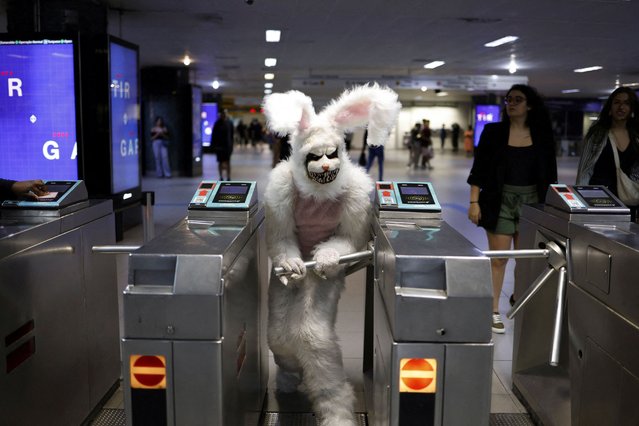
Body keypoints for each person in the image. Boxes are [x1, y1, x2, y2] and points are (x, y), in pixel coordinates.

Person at [467, 84, 557, 334]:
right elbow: (479, 169)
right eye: (508, 99)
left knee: (525, 260)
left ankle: (520, 301)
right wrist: (474, 202)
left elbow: (550, 174)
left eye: (518, 99)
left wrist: (551, 208)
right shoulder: (493, 132)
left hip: (533, 202)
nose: (511, 103)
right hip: (499, 200)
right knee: (499, 259)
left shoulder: (542, 135)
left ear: (529, 105)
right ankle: (493, 311)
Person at [576, 86, 639, 222]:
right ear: (610, 107)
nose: (621, 107)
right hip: (599, 199)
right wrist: (581, 203)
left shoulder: (636, 136)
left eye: (626, 103)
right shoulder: (598, 134)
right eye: (617, 102)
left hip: (628, 201)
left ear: (632, 109)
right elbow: (585, 170)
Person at [211, 110, 234, 181]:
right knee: (220, 162)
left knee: (227, 161)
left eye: (225, 113)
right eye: (223, 114)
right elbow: (214, 135)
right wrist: (214, 145)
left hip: (227, 146)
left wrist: (231, 145)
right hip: (219, 146)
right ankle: (221, 176)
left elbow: (231, 135)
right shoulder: (217, 124)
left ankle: (228, 176)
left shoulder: (229, 123)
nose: (224, 115)